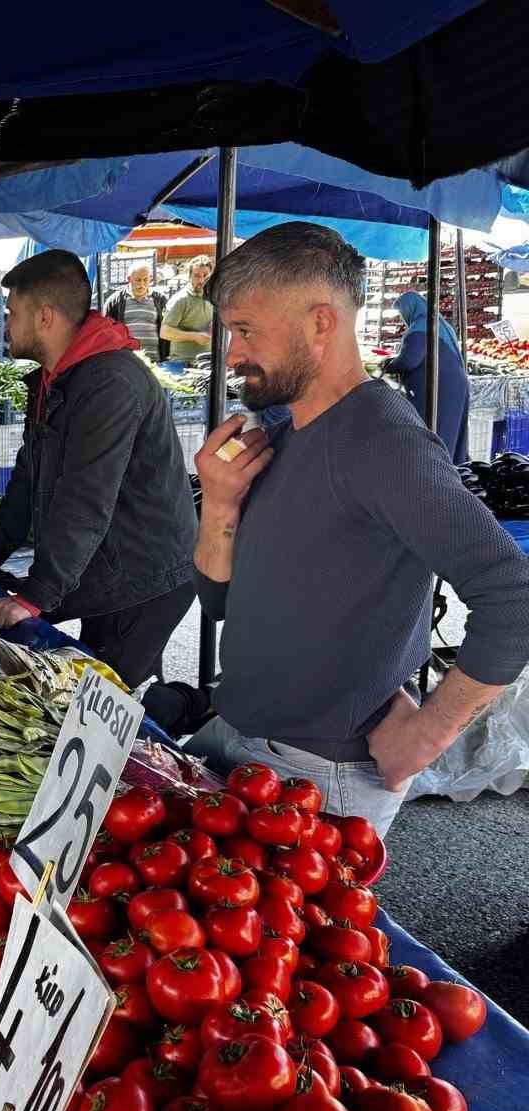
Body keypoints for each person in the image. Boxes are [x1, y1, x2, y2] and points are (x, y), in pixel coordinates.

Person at [186, 221, 529, 835]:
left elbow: (513, 593)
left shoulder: (382, 441)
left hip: (319, 775)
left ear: (321, 323)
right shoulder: (282, 431)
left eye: (245, 331)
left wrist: (429, 732)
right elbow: (219, 603)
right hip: (237, 731)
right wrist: (218, 507)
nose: (232, 354)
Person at [0, 250, 197, 688]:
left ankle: (179, 727)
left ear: (44, 317)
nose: (5, 323)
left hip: (143, 576)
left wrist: (36, 595)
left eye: (11, 312)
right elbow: (29, 477)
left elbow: (85, 497)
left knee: (110, 700)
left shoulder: (110, 385)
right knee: (94, 680)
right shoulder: (55, 379)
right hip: (107, 567)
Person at [385, 291, 470, 465]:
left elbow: (409, 360)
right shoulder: (439, 323)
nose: (403, 318)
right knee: (450, 435)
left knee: (437, 434)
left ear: (410, 309)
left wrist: (389, 364)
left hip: (440, 389)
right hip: (453, 386)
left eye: (403, 313)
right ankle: (453, 477)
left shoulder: (421, 327)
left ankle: (437, 477)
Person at [104, 265, 167, 359]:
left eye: (145, 280)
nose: (141, 284)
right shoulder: (115, 301)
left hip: (155, 359)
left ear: (150, 279)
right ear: (129, 279)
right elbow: (107, 333)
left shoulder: (160, 300)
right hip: (127, 361)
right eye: (138, 280)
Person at [161, 255, 214, 364]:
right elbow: (165, 332)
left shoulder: (214, 298)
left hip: (208, 362)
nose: (202, 280)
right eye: (197, 276)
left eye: (205, 276)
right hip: (183, 363)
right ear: (189, 276)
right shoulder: (180, 299)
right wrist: (195, 337)